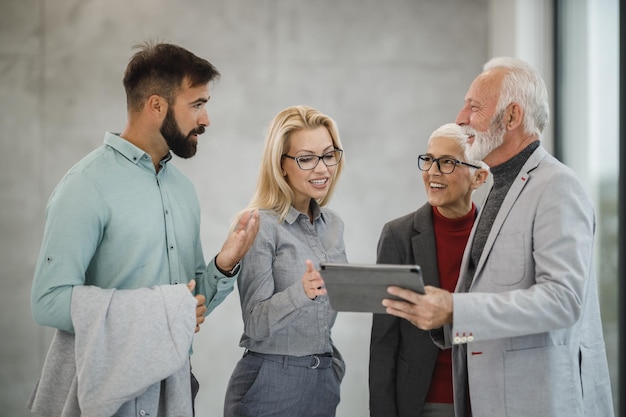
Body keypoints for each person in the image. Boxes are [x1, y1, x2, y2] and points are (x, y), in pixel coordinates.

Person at [28, 41, 259, 417]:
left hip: (175, 385)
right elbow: (47, 301)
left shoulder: (183, 190)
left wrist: (224, 264)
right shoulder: (86, 186)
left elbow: (185, 306)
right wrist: (155, 310)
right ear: (157, 105)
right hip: (106, 389)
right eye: (197, 104)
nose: (206, 119)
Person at [381, 57, 614, 417]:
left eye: (474, 106)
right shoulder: (498, 187)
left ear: (511, 116)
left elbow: (563, 301)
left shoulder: (557, 186)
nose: (461, 117)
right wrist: (444, 318)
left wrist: (455, 308)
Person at [223, 105, 347, 417]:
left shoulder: (333, 225)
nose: (322, 169)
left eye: (329, 155)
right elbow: (254, 323)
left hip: (322, 383)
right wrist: (301, 292)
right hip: (271, 386)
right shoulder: (258, 225)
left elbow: (334, 303)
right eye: (306, 159)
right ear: (281, 165)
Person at [369, 123, 488, 417]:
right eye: (429, 159)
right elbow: (384, 341)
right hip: (424, 401)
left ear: (479, 177)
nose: (433, 171)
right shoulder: (398, 235)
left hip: (487, 398)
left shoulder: (497, 235)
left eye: (447, 162)